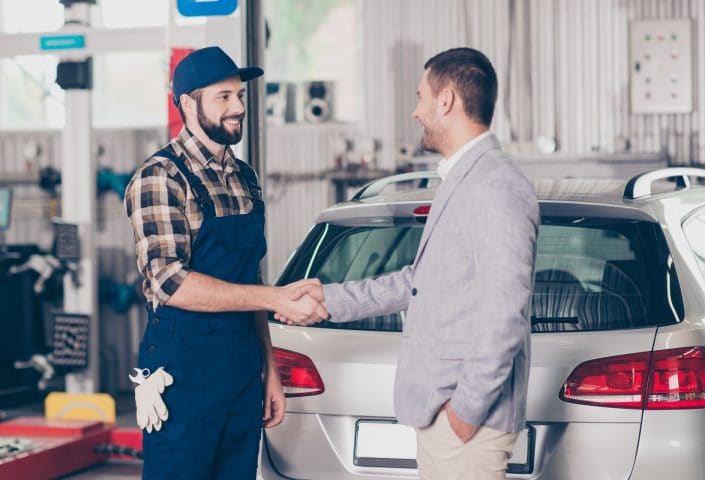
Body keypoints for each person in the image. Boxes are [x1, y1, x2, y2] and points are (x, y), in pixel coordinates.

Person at [281, 47, 538, 480]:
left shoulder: (496, 187)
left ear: (446, 101)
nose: (416, 111)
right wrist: (332, 297)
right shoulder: (465, 179)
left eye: (421, 97)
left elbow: (505, 315)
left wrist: (465, 411)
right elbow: (420, 282)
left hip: (465, 421)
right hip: (443, 414)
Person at [124, 46, 327, 479]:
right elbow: (169, 281)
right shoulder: (160, 178)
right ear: (187, 104)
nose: (238, 107)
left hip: (241, 372)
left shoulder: (244, 177)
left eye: (239, 95)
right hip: (184, 373)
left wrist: (269, 369)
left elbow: (247, 277)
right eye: (224, 97)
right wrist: (276, 298)